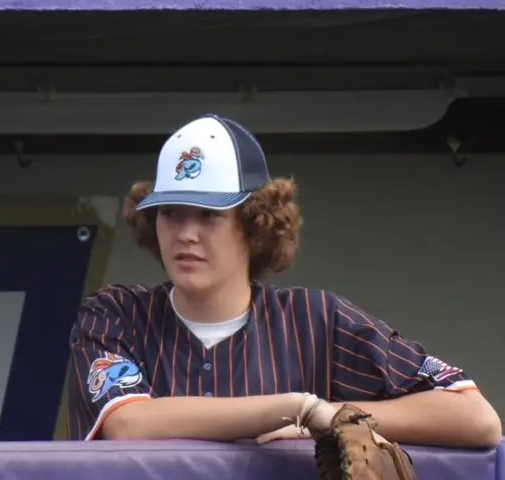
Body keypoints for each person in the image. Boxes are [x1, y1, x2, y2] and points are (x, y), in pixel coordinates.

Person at [67, 113, 501, 447]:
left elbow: (477, 419)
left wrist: (337, 418)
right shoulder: (114, 313)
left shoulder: (316, 319)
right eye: (171, 212)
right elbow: (129, 424)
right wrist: (300, 409)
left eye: (209, 214)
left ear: (256, 224)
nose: (186, 234)